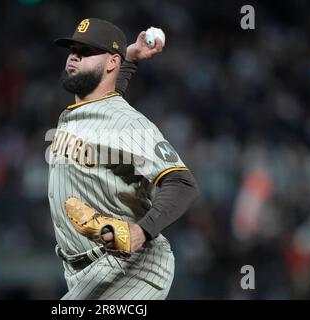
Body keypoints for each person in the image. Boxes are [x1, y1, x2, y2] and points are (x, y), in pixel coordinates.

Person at [49, 18, 199, 300]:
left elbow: (183, 183)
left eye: (87, 50)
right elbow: (108, 103)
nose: (75, 55)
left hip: (131, 266)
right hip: (87, 272)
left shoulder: (129, 124)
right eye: (72, 49)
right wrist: (129, 58)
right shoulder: (84, 109)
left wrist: (141, 231)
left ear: (110, 63)